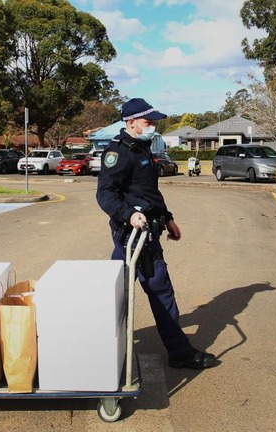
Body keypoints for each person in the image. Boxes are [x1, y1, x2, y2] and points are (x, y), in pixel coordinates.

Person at [96, 98, 218, 369]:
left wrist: (168, 217)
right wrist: (129, 214)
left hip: (147, 231)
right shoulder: (119, 152)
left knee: (116, 289)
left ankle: (100, 344)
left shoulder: (141, 148)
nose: (153, 126)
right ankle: (178, 352)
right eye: (148, 122)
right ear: (131, 123)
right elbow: (105, 194)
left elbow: (149, 193)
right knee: (154, 289)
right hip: (134, 235)